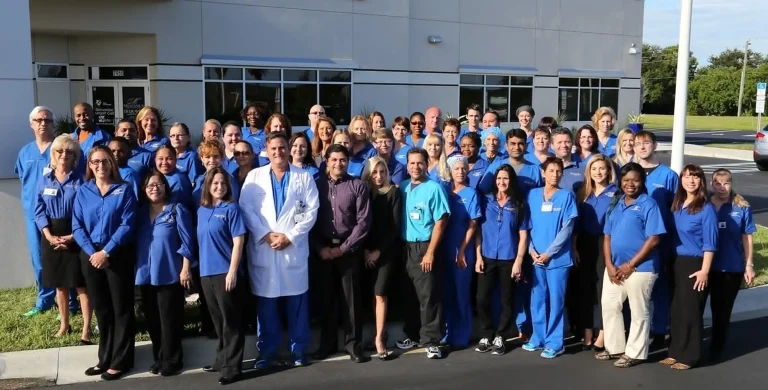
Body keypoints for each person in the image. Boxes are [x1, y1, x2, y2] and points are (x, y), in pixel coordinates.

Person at [239, 132, 319, 369]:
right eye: (273, 148)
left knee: (297, 305)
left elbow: (311, 210)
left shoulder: (303, 177)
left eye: (283, 147)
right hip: (264, 248)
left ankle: (298, 351)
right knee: (267, 307)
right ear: (266, 149)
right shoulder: (254, 177)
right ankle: (267, 352)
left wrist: (289, 236)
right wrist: (265, 234)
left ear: (289, 149)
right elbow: (246, 209)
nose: (278, 152)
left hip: (292, 249)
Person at [73, 145, 137, 381]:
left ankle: (121, 360)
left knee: (121, 308)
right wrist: (93, 253)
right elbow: (77, 226)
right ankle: (105, 357)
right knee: (102, 309)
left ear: (112, 163)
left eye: (105, 161)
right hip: (91, 256)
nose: (100, 166)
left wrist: (106, 252)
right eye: (95, 162)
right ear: (89, 165)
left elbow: (127, 225)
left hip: (117, 254)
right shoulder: (83, 191)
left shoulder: (125, 189)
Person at [598, 163, 665, 367]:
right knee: (609, 305)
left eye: (635, 180)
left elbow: (654, 238)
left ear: (642, 182)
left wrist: (631, 264)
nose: (630, 184)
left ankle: (634, 352)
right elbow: (607, 236)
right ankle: (615, 347)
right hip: (614, 268)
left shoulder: (649, 204)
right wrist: (609, 264)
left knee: (638, 311)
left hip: (641, 268)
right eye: (626, 180)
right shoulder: (616, 203)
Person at [312, 144, 372, 363]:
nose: (338, 163)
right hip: (324, 250)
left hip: (349, 250)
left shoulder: (358, 185)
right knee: (326, 299)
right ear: (326, 161)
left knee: (351, 301)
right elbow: (309, 219)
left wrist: (343, 249)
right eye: (334, 159)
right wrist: (320, 248)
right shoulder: (316, 185)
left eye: (342, 160)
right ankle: (326, 345)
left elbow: (363, 223)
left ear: (348, 162)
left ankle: (353, 345)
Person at [135, 171, 194, 377]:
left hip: (170, 273)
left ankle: (173, 360)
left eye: (159, 184)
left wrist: (186, 268)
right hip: (145, 274)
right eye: (150, 185)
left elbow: (187, 242)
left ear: (165, 187)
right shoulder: (140, 213)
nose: (154, 188)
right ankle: (159, 358)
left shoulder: (177, 210)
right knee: (153, 320)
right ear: (144, 189)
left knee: (170, 319)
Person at [34, 134, 91, 342]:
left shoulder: (81, 181)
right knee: (60, 284)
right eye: (60, 151)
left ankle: (86, 328)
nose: (64, 155)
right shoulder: (44, 180)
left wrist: (71, 237)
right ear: (53, 154)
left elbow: (86, 213)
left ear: (75, 156)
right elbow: (38, 211)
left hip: (76, 233)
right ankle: (64, 324)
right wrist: (49, 235)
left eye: (69, 151)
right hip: (51, 234)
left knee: (81, 284)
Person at [662, 164, 718, 370]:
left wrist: (704, 270)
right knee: (676, 310)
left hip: (695, 264)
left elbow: (710, 243)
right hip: (675, 262)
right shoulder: (677, 204)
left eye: (695, 177)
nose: (690, 181)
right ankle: (675, 351)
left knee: (691, 311)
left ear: (700, 180)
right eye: (686, 177)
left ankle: (690, 356)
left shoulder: (706, 208)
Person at [396, 148, 450, 359]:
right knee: (409, 295)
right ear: (407, 165)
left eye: (420, 163)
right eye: (412, 163)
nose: (416, 167)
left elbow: (441, 221)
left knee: (429, 296)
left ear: (427, 164)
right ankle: (412, 335)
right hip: (405, 247)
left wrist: (430, 252)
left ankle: (431, 340)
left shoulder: (434, 188)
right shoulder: (403, 187)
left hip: (424, 247)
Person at [523, 157, 578, 359]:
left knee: (556, 301)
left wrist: (548, 253)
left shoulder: (566, 197)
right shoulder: (533, 195)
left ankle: (555, 342)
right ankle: (538, 338)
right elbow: (527, 226)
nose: (555, 174)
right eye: (551, 170)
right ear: (543, 172)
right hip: (536, 258)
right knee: (537, 300)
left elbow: (567, 229)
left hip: (557, 260)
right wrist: (531, 250)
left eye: (558, 171)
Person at [196, 167, 247, 385]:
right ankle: (221, 358)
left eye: (223, 183)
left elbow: (239, 241)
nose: (219, 187)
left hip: (225, 273)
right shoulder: (202, 210)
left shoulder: (231, 209)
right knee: (218, 321)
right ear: (207, 185)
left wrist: (233, 271)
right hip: (206, 273)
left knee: (231, 322)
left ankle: (233, 367)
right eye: (215, 183)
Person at [475, 164, 530, 355]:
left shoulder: (518, 204)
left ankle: (501, 336)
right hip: (487, 257)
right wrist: (477, 256)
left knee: (507, 299)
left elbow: (523, 236)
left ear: (511, 180)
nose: (502, 182)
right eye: (499, 178)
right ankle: (487, 333)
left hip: (509, 258)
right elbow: (478, 231)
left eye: (505, 178)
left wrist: (519, 261)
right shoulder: (486, 201)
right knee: (482, 298)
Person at [634, 130, 678, 348]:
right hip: (634, 241)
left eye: (647, 143)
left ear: (655, 145)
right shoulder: (630, 173)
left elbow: (677, 209)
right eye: (638, 144)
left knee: (660, 288)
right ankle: (633, 333)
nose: (643, 147)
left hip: (660, 241)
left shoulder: (668, 175)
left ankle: (660, 331)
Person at [17, 106, 61, 317]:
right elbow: (23, 179)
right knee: (38, 258)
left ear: (53, 123)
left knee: (62, 257)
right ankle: (44, 300)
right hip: (33, 215)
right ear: (31, 124)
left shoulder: (61, 149)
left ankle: (69, 301)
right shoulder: (25, 152)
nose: (43, 123)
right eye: (39, 120)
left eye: (47, 120)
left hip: (57, 214)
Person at [708, 169, 756, 362]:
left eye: (726, 183)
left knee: (722, 309)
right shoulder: (705, 204)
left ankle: (717, 347)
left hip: (731, 267)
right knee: (703, 306)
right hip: (706, 266)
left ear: (731, 183)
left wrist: (749, 264)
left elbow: (747, 237)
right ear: (712, 184)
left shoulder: (741, 206)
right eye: (718, 183)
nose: (722, 187)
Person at [573, 155, 616, 352]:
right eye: (594, 169)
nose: (598, 172)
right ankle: (587, 331)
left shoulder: (616, 193)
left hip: (605, 243)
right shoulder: (582, 193)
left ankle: (603, 332)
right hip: (584, 243)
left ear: (609, 171)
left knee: (603, 291)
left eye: (602, 168)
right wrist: (574, 247)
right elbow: (576, 224)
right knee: (584, 290)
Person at [362, 157, 403, 360]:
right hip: (364, 250)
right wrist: (365, 250)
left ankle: (379, 338)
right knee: (370, 294)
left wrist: (377, 251)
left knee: (380, 293)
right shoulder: (364, 193)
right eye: (374, 172)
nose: (378, 176)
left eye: (382, 172)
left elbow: (394, 227)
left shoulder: (393, 192)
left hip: (386, 252)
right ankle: (375, 334)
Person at [440, 156, 481, 350]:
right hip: (445, 250)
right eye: (456, 169)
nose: (460, 172)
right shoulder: (445, 191)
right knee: (447, 295)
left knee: (461, 294)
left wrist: (463, 250)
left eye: (463, 169)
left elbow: (473, 224)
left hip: (462, 252)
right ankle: (448, 333)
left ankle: (462, 334)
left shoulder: (471, 193)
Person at [479, 129, 543, 196]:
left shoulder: (536, 170)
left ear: (526, 146)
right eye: (512, 144)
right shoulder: (495, 167)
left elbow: (539, 196)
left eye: (520, 144)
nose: (516, 147)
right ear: (506, 146)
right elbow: (483, 191)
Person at [194, 140, 240, 207]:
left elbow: (232, 204)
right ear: (202, 159)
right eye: (208, 157)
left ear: (221, 158)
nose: (212, 160)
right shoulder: (199, 180)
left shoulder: (229, 179)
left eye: (216, 156)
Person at [155, 145, 194, 211]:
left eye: (169, 159)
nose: (164, 162)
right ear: (155, 160)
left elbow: (172, 210)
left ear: (176, 160)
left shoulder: (178, 181)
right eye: (160, 159)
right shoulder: (158, 176)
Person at [551, 127, 584, 193]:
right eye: (559, 142)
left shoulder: (583, 168)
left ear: (572, 143)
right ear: (552, 145)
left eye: (567, 142)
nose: (564, 145)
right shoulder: (546, 168)